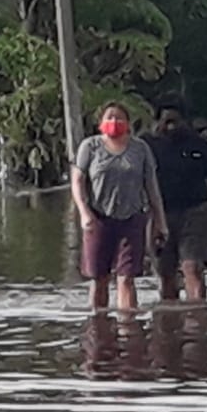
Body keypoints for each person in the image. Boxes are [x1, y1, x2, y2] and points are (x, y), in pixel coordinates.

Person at [71, 102, 166, 311]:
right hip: (98, 219)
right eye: (109, 117)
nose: (114, 122)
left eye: (119, 118)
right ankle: (98, 325)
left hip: (132, 218)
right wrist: (84, 213)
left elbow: (151, 186)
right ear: (100, 123)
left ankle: (129, 328)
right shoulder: (90, 147)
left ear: (129, 124)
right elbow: (77, 181)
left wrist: (160, 221)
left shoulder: (140, 149)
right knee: (99, 278)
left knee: (127, 278)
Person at [146, 102, 207, 303]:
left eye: (176, 122)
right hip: (160, 215)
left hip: (196, 212)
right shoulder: (147, 147)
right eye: (166, 122)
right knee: (165, 272)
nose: (171, 127)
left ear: (186, 122)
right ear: (157, 122)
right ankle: (168, 320)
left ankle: (198, 317)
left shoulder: (199, 146)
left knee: (192, 267)